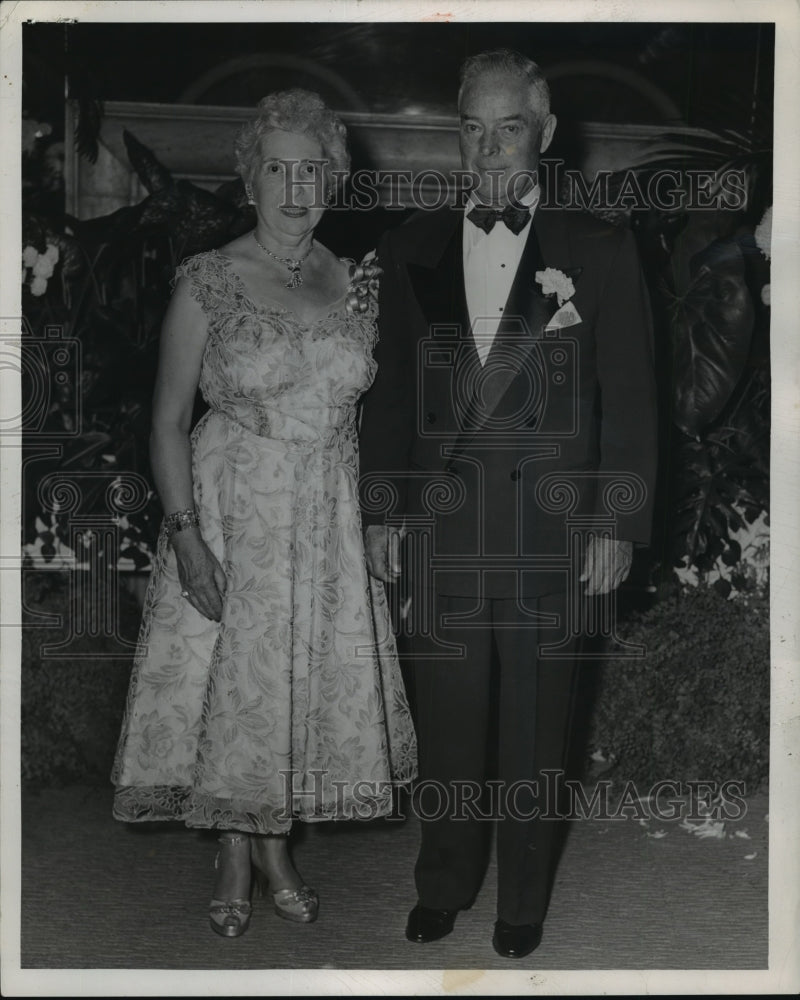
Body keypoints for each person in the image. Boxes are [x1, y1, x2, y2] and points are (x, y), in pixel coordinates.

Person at [359, 49, 657, 959]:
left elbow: (631, 399)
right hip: (444, 527)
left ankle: (522, 901)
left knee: (537, 728)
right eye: (473, 129)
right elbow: (390, 400)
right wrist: (381, 511)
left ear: (547, 134)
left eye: (511, 128)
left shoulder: (599, 248)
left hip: (551, 530)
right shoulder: (410, 246)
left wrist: (614, 520)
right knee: (449, 721)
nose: (489, 151)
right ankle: (443, 881)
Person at [112, 89, 417, 939]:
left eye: (310, 169)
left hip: (325, 515)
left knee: (297, 688)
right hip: (231, 511)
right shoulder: (209, 280)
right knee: (237, 686)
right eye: (276, 168)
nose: (294, 185)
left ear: (332, 180)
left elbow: (375, 414)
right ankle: (239, 855)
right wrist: (186, 539)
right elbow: (167, 419)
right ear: (250, 178)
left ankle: (270, 846)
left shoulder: (356, 282)